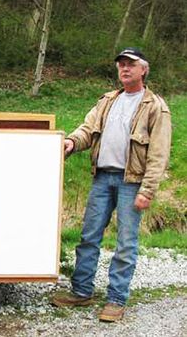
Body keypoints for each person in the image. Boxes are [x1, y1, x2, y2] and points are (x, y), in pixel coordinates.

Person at [52, 47, 172, 322]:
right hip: (102, 178)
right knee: (89, 237)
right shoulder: (107, 100)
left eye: (131, 64)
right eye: (121, 65)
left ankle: (116, 300)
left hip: (132, 183)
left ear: (144, 69)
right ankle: (82, 291)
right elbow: (87, 129)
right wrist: (71, 142)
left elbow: (159, 154)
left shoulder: (156, 107)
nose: (125, 69)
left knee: (126, 244)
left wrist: (148, 190)